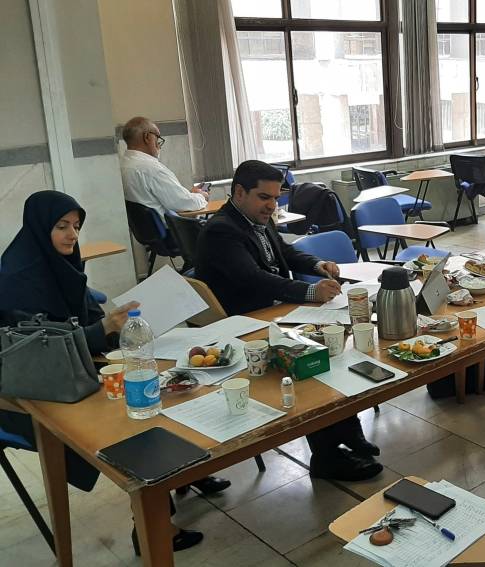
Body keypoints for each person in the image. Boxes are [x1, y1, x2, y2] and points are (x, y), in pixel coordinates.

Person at [0, 191, 215, 552]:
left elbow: (86, 317)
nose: (72, 235)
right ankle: (151, 526)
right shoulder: (16, 279)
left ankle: (186, 471)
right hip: (31, 391)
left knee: (167, 382)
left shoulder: (60, 263)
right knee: (134, 414)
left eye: (76, 226)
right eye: (62, 226)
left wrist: (115, 326)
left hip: (75, 368)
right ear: (39, 227)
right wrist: (103, 330)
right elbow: (41, 350)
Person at [195, 160, 382, 481]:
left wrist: (318, 264)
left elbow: (285, 252)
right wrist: (310, 292)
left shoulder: (255, 218)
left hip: (274, 314)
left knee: (335, 345)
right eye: (264, 197)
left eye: (275, 197)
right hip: (244, 324)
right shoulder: (221, 231)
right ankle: (326, 458)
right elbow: (254, 278)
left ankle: (346, 429)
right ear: (239, 193)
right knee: (312, 359)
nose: (272, 205)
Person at [120, 116, 209, 218]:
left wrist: (189, 194)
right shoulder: (152, 169)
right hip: (170, 227)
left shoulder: (122, 166)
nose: (159, 145)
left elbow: (163, 199)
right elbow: (185, 203)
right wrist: (201, 196)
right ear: (147, 137)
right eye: (157, 138)